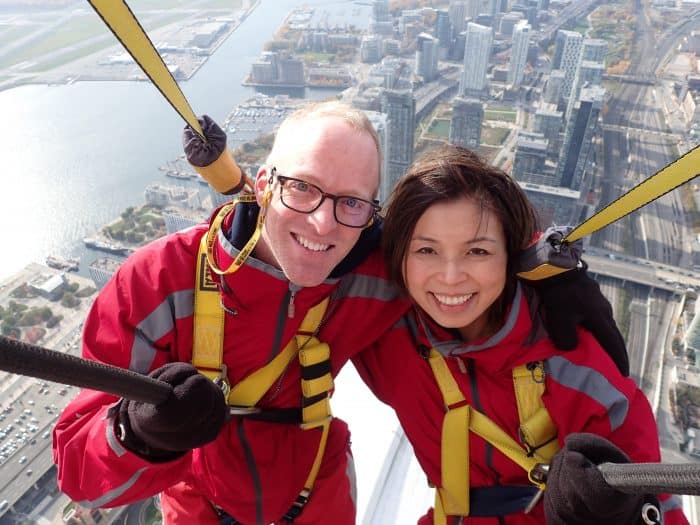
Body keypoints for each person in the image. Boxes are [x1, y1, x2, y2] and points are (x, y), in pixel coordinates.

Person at [53, 102, 628, 525]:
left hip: (321, 500)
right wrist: (139, 433)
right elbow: (79, 472)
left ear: (368, 213)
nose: (325, 224)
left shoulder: (377, 270)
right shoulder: (157, 284)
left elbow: (454, 226)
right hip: (202, 506)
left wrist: (545, 269)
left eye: (351, 202)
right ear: (263, 185)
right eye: (302, 188)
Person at [353, 144, 688, 524]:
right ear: (398, 257)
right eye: (426, 250)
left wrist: (623, 515)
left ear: (510, 256)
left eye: (477, 252)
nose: (450, 277)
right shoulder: (386, 329)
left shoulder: (572, 368)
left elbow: (658, 501)